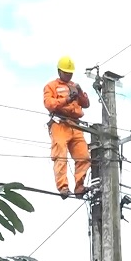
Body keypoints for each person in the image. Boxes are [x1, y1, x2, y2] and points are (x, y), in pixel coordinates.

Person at [43, 55, 91, 199]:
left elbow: (86, 104)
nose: (68, 75)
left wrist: (80, 92)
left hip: (75, 125)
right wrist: (67, 99)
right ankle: (63, 187)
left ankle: (79, 187)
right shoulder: (51, 86)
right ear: (59, 71)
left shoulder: (74, 86)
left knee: (83, 156)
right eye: (66, 72)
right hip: (60, 124)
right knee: (60, 155)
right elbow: (49, 104)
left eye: (70, 73)